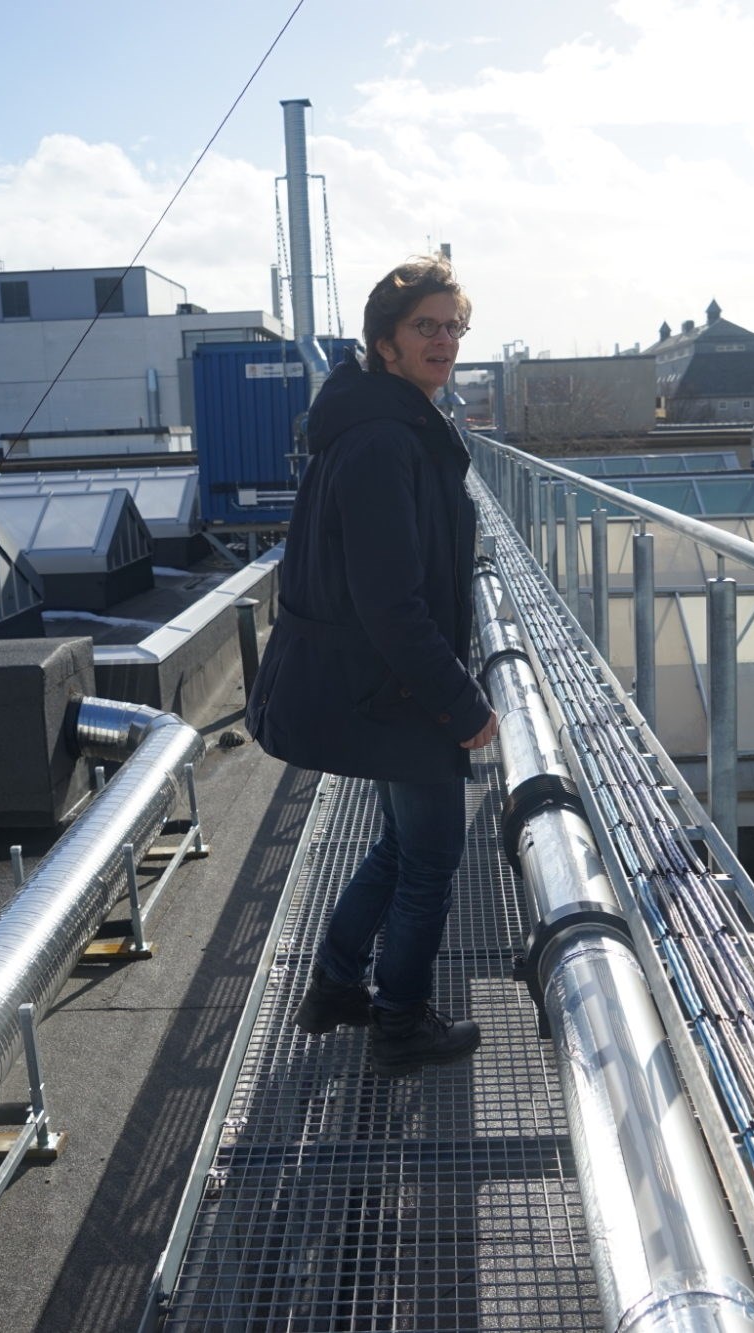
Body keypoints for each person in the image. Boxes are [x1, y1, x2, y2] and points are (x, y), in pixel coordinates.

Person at [246, 254, 498, 1076]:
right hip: (394, 691)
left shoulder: (378, 425)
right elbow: (393, 603)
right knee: (429, 858)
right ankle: (400, 1022)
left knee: (399, 844)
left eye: (454, 326)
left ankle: (335, 983)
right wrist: (462, 706)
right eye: (427, 325)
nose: (445, 340)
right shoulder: (386, 441)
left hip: (381, 686)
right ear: (385, 342)